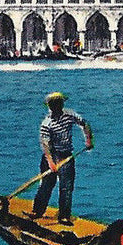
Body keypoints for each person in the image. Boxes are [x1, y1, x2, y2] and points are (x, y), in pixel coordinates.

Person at [31, 91, 92, 224]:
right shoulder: (47, 123)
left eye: (58, 103)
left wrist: (88, 140)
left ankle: (64, 216)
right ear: (50, 106)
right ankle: (37, 211)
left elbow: (84, 124)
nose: (56, 106)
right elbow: (45, 145)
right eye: (53, 104)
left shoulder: (69, 115)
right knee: (47, 184)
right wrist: (51, 163)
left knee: (67, 187)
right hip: (51, 155)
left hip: (66, 156)